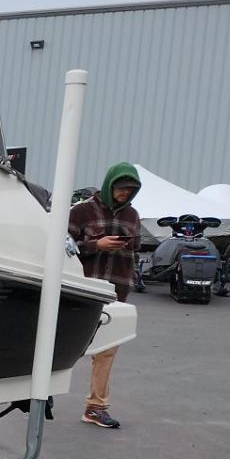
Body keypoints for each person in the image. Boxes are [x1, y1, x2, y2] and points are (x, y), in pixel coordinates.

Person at [66, 161, 141, 428]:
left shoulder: (132, 215)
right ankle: (36, 396)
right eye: (122, 189)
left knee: (106, 352)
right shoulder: (81, 211)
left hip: (116, 292)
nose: (126, 194)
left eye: (132, 190)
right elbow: (63, 247)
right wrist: (96, 245)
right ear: (110, 185)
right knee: (62, 346)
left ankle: (96, 407)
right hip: (81, 290)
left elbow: (137, 248)